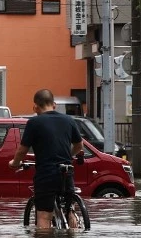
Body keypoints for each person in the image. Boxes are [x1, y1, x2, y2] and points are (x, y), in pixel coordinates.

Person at [8, 89, 84, 229]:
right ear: (54, 105)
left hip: (46, 173)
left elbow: (22, 150)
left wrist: (15, 163)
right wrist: (69, 156)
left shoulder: (34, 123)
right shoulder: (69, 120)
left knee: (43, 215)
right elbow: (79, 146)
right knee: (69, 209)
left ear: (35, 107)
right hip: (66, 171)